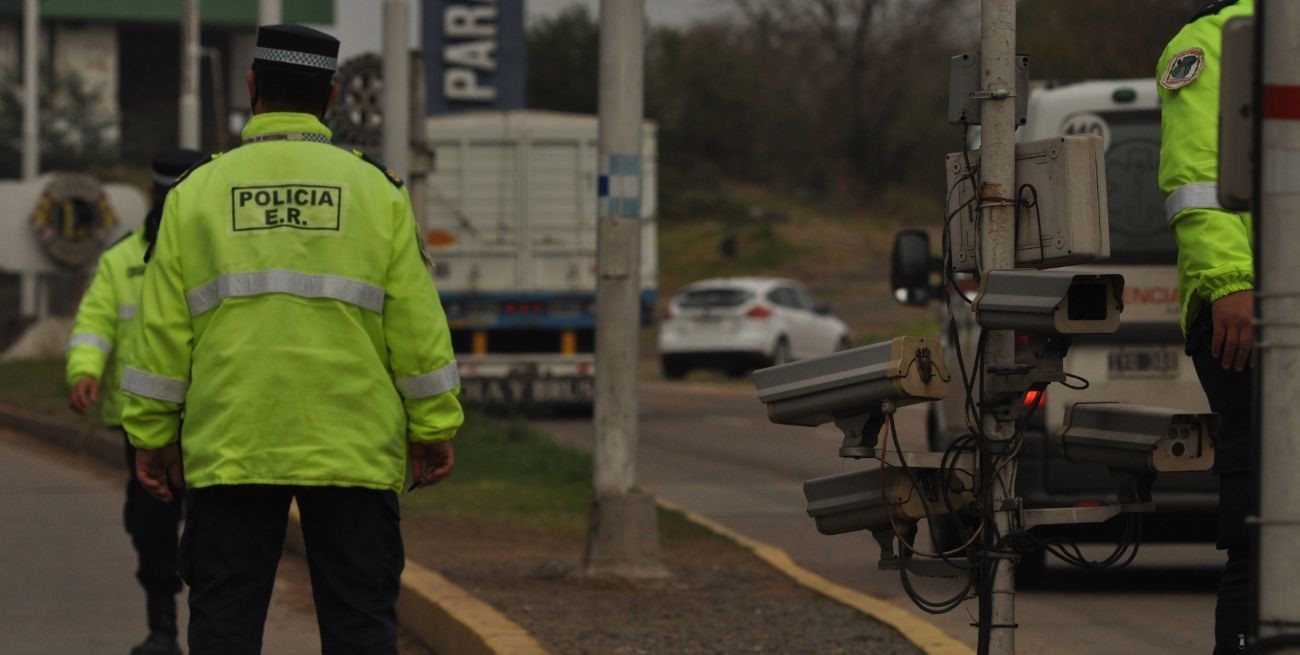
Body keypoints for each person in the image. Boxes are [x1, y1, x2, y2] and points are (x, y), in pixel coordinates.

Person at [121, 24, 463, 654]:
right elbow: (417, 323)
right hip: (353, 446)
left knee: (224, 622)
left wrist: (151, 433)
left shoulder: (196, 192)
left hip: (232, 443)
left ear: (252, 87)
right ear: (330, 96)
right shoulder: (376, 191)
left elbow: (162, 331)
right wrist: (434, 423)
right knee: (360, 620)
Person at [66, 148, 207, 655]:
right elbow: (94, 325)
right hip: (144, 421)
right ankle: (164, 630)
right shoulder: (122, 259)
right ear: (153, 195)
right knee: (152, 529)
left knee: (215, 532)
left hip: (212, 421)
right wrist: (84, 371)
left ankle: (212, 631)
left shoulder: (218, 249)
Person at [1157, 1, 1256, 653]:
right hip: (1251, 310)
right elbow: (1197, 181)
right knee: (1266, 515)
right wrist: (1230, 283)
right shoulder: (1212, 42)